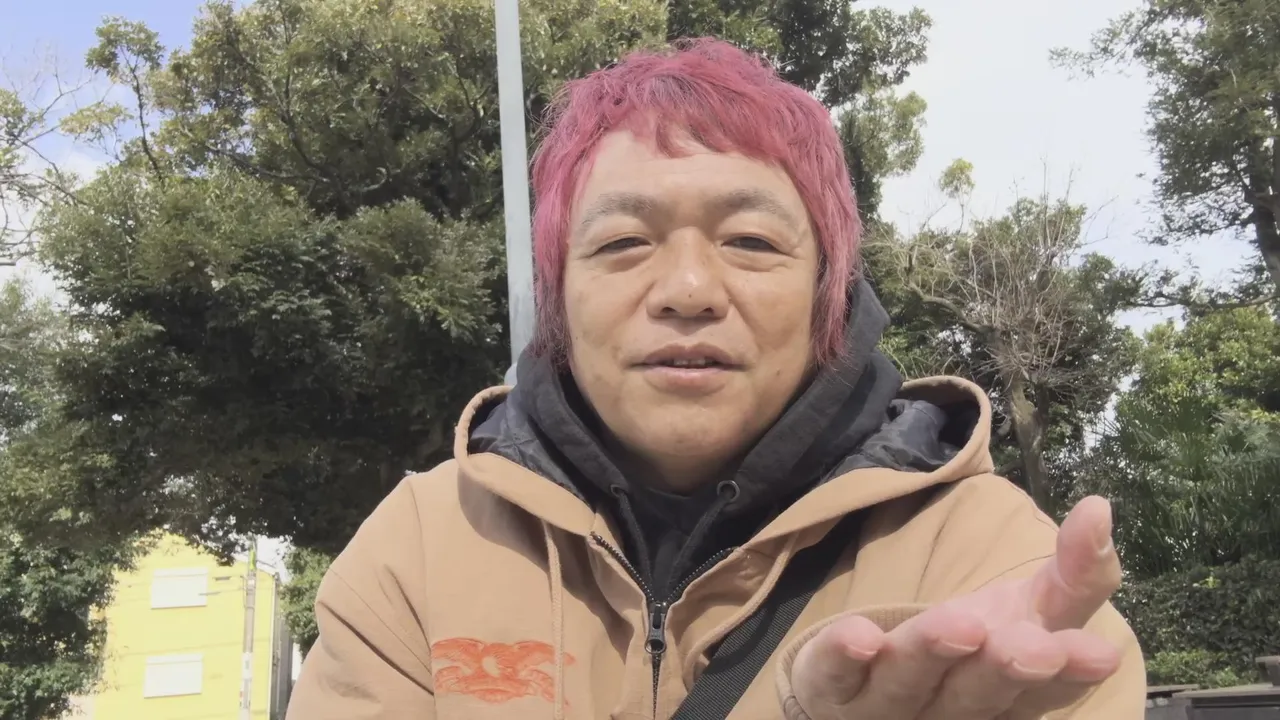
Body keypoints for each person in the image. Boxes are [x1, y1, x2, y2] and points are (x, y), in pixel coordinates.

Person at [286, 38, 1145, 720]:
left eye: (751, 242)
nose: (689, 290)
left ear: (832, 296)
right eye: (624, 243)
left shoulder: (993, 567)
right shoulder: (420, 551)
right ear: (558, 299)